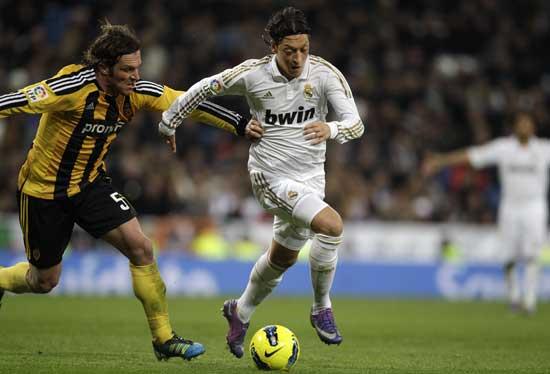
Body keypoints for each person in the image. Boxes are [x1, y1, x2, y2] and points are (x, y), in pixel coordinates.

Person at [0, 23, 260, 362]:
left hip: (91, 184)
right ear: (104, 68)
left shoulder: (138, 90)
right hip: (44, 192)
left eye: (137, 68)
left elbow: (185, 102)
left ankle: (164, 339)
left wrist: (239, 123)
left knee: (141, 247)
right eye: (127, 69)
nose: (136, 76)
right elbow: (16, 101)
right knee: (44, 280)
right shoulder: (72, 88)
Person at [159, 6, 364, 357]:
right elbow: (205, 88)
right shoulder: (253, 75)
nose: (298, 58)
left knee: (281, 259)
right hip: (269, 177)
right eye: (289, 51)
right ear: (274, 47)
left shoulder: (325, 74)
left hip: (312, 179)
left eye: (304, 49)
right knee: (331, 227)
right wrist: (169, 120)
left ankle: (239, 312)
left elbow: (356, 124)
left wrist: (330, 127)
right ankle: (321, 309)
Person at [422, 112, 550, 315]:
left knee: (532, 255)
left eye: (528, 123)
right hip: (510, 207)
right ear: (515, 127)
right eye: (521, 123)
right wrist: (441, 161)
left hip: (535, 207)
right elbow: (472, 155)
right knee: (508, 256)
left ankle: (530, 300)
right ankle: (514, 297)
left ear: (533, 127)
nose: (524, 127)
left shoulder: (544, 149)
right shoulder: (504, 147)